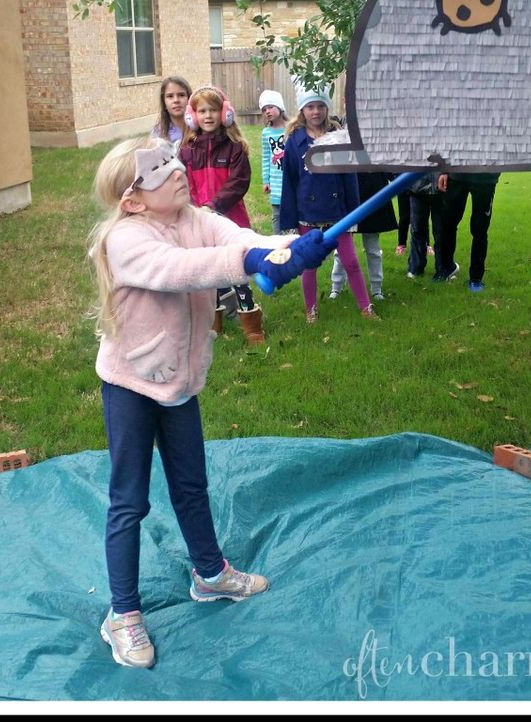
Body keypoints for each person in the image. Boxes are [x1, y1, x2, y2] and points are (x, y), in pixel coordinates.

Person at [88, 136, 335, 669]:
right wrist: (253, 259)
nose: (177, 170)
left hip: (178, 382)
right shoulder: (125, 239)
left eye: (174, 160)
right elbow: (186, 269)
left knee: (192, 485)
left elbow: (242, 237)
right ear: (133, 199)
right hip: (131, 384)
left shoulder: (196, 217)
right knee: (129, 500)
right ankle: (122, 614)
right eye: (159, 171)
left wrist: (292, 244)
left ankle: (208, 574)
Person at [280, 86, 377, 322]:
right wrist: (290, 221)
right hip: (307, 214)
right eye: (311, 107)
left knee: (351, 261)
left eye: (321, 106)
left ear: (327, 108)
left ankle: (366, 307)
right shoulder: (294, 142)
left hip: (338, 214)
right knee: (309, 266)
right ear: (302, 109)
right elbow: (290, 182)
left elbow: (349, 177)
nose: (316, 112)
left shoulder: (338, 138)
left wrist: (353, 216)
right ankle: (311, 310)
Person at [178, 85, 265, 344]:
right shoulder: (186, 150)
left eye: (213, 110)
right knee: (210, 272)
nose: (207, 116)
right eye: (201, 111)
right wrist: (194, 209)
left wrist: (213, 206)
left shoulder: (235, 148)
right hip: (199, 222)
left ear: (224, 113)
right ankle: (213, 324)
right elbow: (182, 184)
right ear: (192, 116)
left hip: (230, 220)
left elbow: (238, 182)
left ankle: (251, 325)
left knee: (237, 271)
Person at [330, 172, 397, 301]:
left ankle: (376, 289)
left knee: (373, 250)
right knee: (341, 250)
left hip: (373, 198)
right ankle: (336, 287)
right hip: (348, 201)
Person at [436, 172, 501, 290]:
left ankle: (476, 278)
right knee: (447, 223)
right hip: (457, 175)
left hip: (485, 179)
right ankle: (447, 268)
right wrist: (444, 172)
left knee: (479, 229)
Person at [258, 89, 288, 234]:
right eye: (264, 109)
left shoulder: (292, 129)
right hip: (275, 181)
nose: (267, 111)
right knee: (277, 213)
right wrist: (266, 180)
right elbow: (265, 157)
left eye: (270, 107)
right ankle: (278, 239)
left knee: (292, 210)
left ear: (280, 107)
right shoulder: (266, 133)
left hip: (290, 179)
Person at [406, 173, 444, 279]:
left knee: (441, 230)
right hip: (416, 188)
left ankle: (443, 268)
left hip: (441, 187)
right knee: (417, 228)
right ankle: (415, 268)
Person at [151, 76, 192, 148]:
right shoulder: (158, 133)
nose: (176, 100)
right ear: (164, 103)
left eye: (181, 95)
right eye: (170, 96)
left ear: (189, 99)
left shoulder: (199, 128)